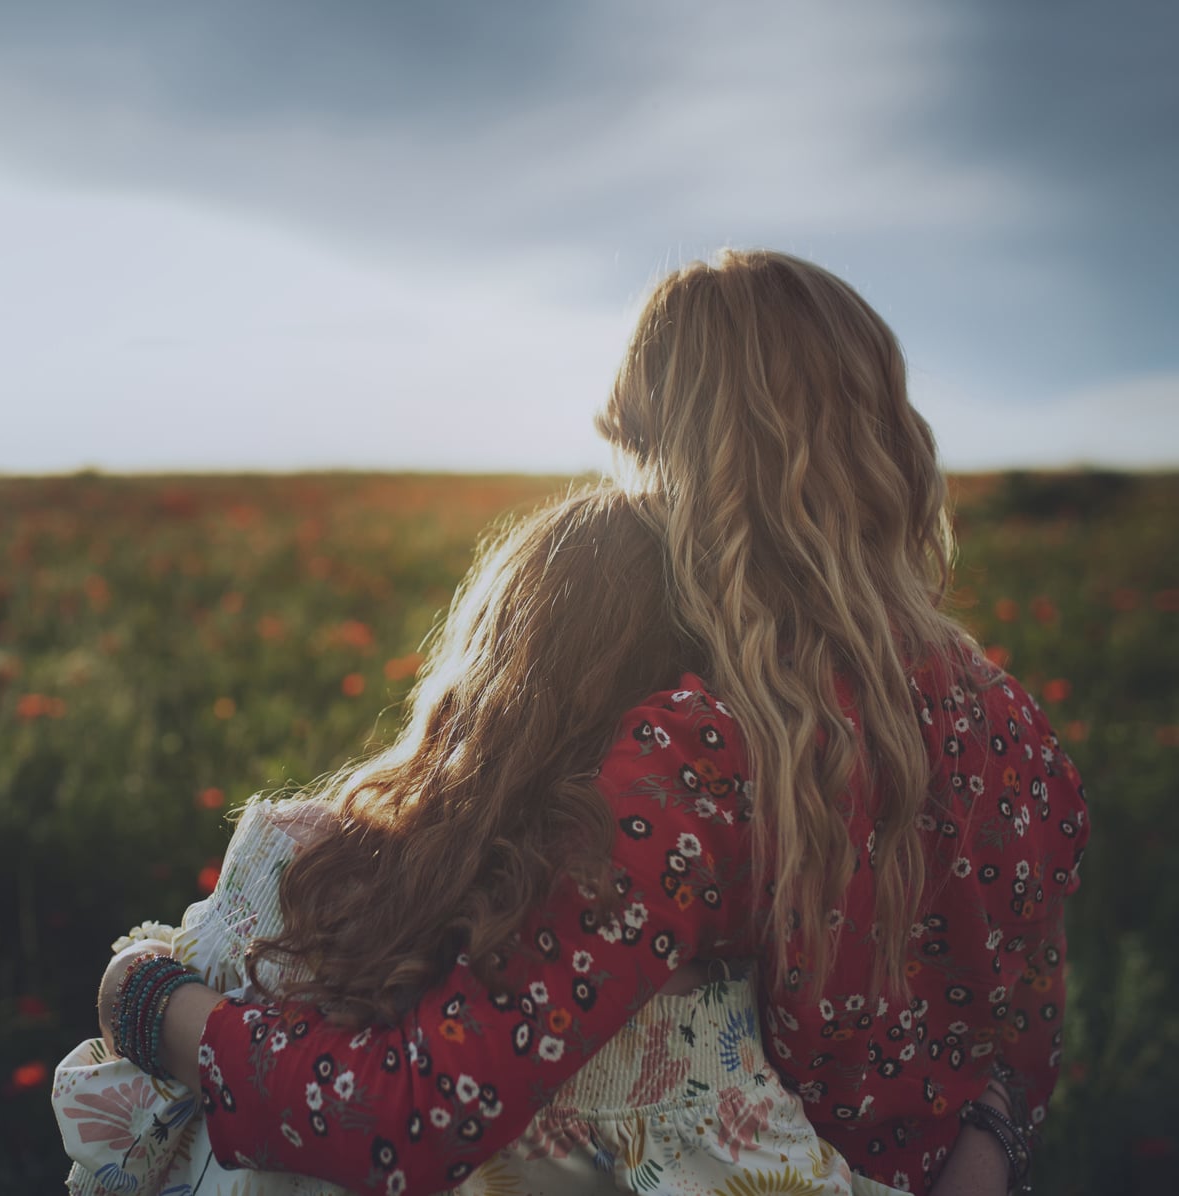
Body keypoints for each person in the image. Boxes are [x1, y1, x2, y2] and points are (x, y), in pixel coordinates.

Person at [96, 249, 1089, 1196]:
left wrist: (147, 1002)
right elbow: (1013, 1057)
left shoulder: (697, 754)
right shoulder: (1015, 729)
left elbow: (417, 1105)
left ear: (669, 453)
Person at [59, 489, 914, 1195]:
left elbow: (142, 1121)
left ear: (490, 664)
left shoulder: (301, 868)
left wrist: (138, 987)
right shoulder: (722, 983)